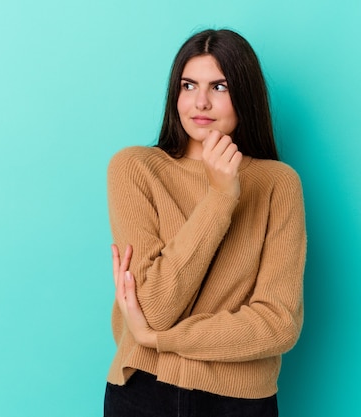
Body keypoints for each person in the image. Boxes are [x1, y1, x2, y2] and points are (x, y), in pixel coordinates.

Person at [104, 28, 307, 417]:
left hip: (240, 402)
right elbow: (155, 306)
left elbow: (278, 323)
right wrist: (220, 197)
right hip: (144, 391)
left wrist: (156, 338)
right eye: (188, 85)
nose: (200, 102)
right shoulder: (135, 169)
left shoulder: (278, 184)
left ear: (244, 95)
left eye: (219, 86)